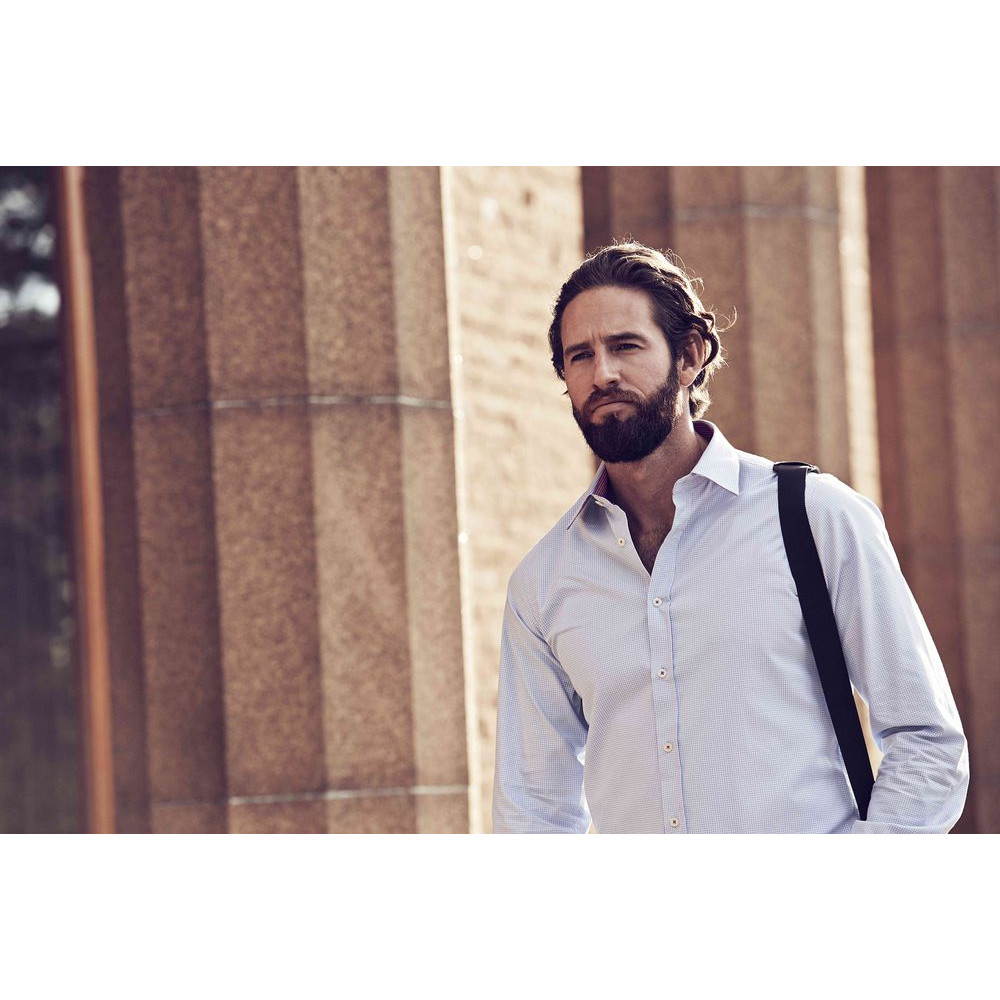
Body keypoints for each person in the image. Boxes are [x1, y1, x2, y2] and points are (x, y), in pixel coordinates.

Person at [491, 241, 969, 834]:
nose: (602, 374)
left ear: (689, 355)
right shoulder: (544, 581)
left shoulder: (814, 517)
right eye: (580, 356)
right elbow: (533, 808)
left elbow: (927, 741)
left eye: (625, 346)